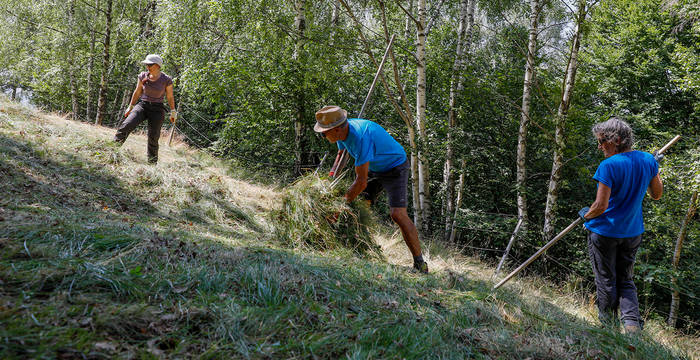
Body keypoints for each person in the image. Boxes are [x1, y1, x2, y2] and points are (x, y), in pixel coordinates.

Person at [314, 105, 428, 273]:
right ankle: (357, 248)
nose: (323, 136)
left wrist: (338, 206)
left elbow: (361, 182)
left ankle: (420, 264)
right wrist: (330, 182)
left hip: (394, 166)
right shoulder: (341, 133)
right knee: (359, 206)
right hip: (374, 166)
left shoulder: (360, 137)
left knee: (397, 214)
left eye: (324, 133)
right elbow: (341, 155)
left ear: (337, 129)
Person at [578, 117, 663, 334]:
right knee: (625, 279)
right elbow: (657, 194)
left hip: (605, 232)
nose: (600, 146)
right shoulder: (647, 160)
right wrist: (654, 168)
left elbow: (600, 205)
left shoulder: (608, 166)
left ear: (616, 139)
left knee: (606, 279)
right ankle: (632, 326)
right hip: (632, 232)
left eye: (602, 141)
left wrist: (585, 216)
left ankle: (607, 328)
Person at [114, 54, 176, 164]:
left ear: (157, 65)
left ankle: (151, 164)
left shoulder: (166, 80)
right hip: (142, 106)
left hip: (157, 109)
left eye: (150, 65)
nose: (147, 66)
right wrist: (130, 106)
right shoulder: (143, 76)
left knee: (153, 137)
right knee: (126, 125)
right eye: (146, 64)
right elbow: (137, 91)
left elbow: (170, 96)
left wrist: (173, 112)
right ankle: (112, 149)